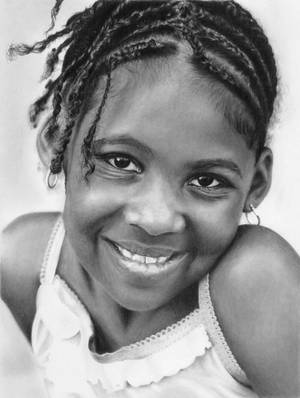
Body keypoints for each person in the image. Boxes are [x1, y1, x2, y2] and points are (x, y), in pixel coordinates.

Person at [1, 0, 299, 397]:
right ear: (57, 143)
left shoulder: (254, 282)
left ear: (256, 183)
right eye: (121, 161)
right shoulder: (29, 267)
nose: (157, 218)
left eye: (207, 181)